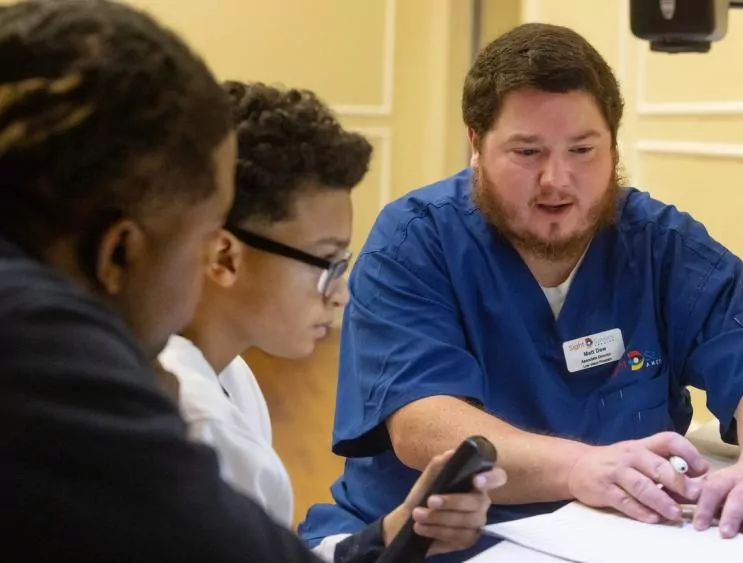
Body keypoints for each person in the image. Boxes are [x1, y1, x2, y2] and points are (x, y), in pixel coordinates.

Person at [0, 2, 497, 562]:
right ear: (119, 252)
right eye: (202, 233)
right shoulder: (65, 372)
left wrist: (386, 537)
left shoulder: (217, 376)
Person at [300, 22, 743, 561]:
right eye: (527, 152)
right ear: (476, 144)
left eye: (582, 149)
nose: (556, 180)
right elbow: (422, 423)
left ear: (613, 146)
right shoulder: (415, 242)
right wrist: (581, 467)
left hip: (614, 541)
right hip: (438, 546)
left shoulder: (659, 244)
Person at [157, 80, 507, 559]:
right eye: (327, 264)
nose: (341, 295)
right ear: (224, 257)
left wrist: (395, 533)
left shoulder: (228, 374)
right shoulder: (192, 424)